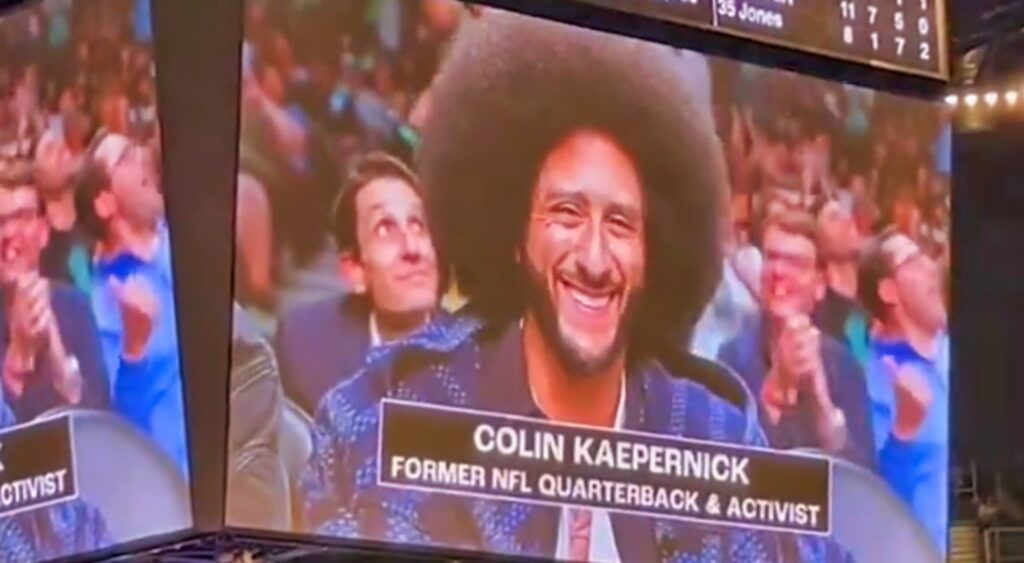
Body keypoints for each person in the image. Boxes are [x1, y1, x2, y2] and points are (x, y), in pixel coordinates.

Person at [300, 13, 849, 561]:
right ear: (515, 237)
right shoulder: (391, 410)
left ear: (653, 256)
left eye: (620, 224)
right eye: (566, 213)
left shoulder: (715, 432)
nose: (593, 257)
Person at [276, 152, 442, 415]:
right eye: (385, 228)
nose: (412, 248)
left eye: (417, 224)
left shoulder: (484, 359)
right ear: (355, 271)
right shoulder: (306, 347)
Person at [718, 210, 875, 469]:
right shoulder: (731, 359)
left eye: (796, 263)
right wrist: (770, 398)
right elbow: (724, 468)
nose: (779, 271)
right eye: (772, 258)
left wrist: (822, 405)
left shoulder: (844, 366)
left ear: (820, 285)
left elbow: (865, 480)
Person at [73, 133, 188, 479]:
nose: (141, 156)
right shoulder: (100, 305)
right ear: (105, 203)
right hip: (176, 480)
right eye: (125, 156)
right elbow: (123, 428)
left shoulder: (177, 238)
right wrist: (134, 350)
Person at [858, 230, 949, 556]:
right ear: (888, 291)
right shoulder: (876, 383)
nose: (930, 266)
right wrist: (904, 431)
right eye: (912, 260)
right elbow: (877, 506)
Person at [0, 174, 109, 421]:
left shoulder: (73, 306)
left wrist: (55, 347)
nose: (8, 232)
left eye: (22, 217)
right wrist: (17, 355)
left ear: (42, 233)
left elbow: (100, 412)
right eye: (0, 222)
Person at [34, 128, 93, 292]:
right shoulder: (39, 246)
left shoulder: (95, 218)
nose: (61, 148)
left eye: (61, 143)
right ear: (36, 177)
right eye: (49, 150)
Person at [811, 197, 867, 345]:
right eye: (834, 218)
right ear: (817, 243)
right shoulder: (820, 315)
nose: (848, 220)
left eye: (846, 214)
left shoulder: (874, 298)